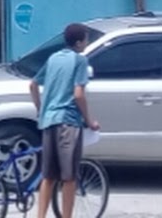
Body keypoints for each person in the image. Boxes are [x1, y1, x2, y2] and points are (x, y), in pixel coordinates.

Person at [29, 23, 101, 218]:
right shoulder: (80, 61)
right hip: (68, 123)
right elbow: (78, 95)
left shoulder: (54, 58)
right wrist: (89, 120)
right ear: (78, 42)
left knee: (48, 177)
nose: (87, 43)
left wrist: (40, 109)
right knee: (69, 178)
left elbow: (33, 85)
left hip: (48, 122)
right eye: (86, 39)